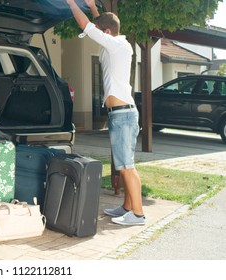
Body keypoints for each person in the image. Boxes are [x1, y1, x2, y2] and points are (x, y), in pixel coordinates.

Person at [65, 0, 145, 225]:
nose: (97, 37)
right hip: (121, 114)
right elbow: (101, 24)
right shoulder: (116, 44)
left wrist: (71, 2)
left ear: (107, 33)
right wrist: (92, 7)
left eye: (101, 33)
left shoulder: (117, 45)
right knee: (126, 164)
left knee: (126, 166)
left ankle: (137, 215)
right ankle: (127, 208)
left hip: (123, 115)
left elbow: (87, 26)